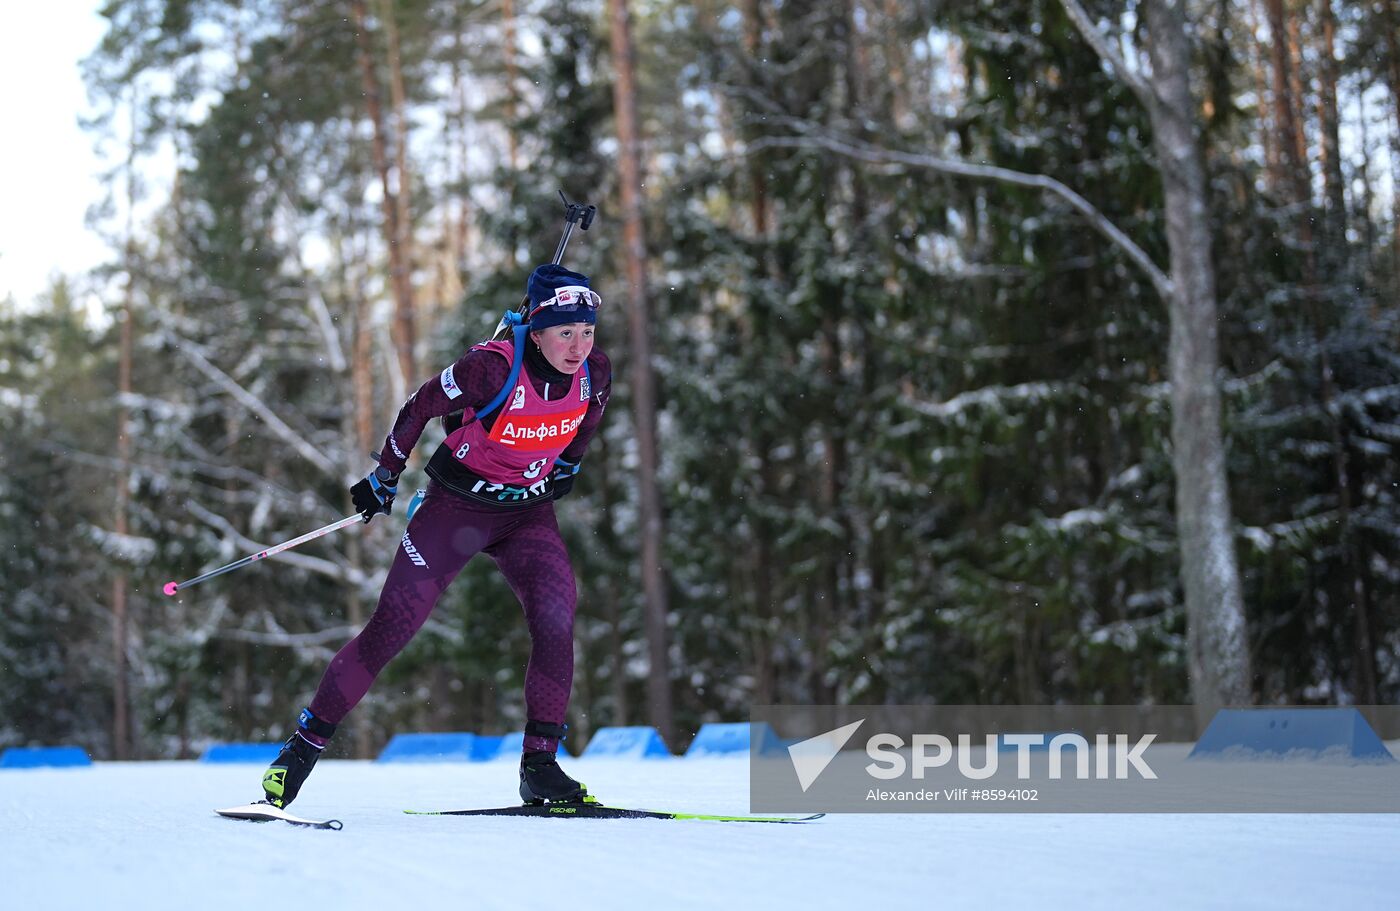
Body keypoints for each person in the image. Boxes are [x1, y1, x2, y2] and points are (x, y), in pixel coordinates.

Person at [258, 263, 611, 809]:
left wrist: (568, 465)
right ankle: (298, 755)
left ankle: (540, 767)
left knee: (557, 619)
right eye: (565, 332)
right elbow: (421, 405)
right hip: (456, 510)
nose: (578, 346)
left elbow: (585, 421)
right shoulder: (490, 369)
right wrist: (385, 476)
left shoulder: (595, 373)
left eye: (587, 332)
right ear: (535, 330)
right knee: (390, 630)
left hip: (525, 516)